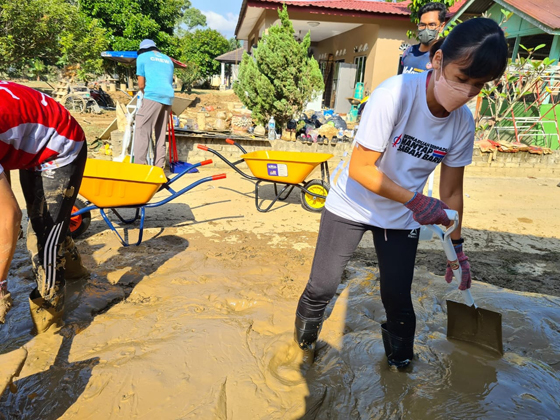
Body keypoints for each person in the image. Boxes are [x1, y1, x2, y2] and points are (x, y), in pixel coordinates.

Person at [293, 18, 508, 368]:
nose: (467, 92)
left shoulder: (462, 124)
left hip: (401, 215)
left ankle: (400, 371)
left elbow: (452, 192)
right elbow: (362, 169)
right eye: (461, 78)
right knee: (322, 286)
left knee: (397, 298)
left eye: (478, 85)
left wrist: (457, 250)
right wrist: (417, 200)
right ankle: (303, 350)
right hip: (352, 203)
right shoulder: (394, 95)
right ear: (437, 61)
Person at [0, 81, 88, 332]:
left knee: (42, 237)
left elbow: (9, 214)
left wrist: (0, 285)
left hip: (59, 146)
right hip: (28, 140)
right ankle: (77, 274)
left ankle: (49, 326)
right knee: (49, 224)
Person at [134, 39, 175, 168]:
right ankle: (158, 169)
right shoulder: (168, 59)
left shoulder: (142, 57)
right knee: (160, 135)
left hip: (152, 96)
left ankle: (139, 168)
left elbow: (141, 84)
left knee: (141, 131)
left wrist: (144, 94)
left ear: (142, 50)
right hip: (168, 98)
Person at [399, 2, 447, 74]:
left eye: (431, 25)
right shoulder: (408, 52)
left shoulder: (442, 57)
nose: (426, 29)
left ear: (441, 27)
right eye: (422, 25)